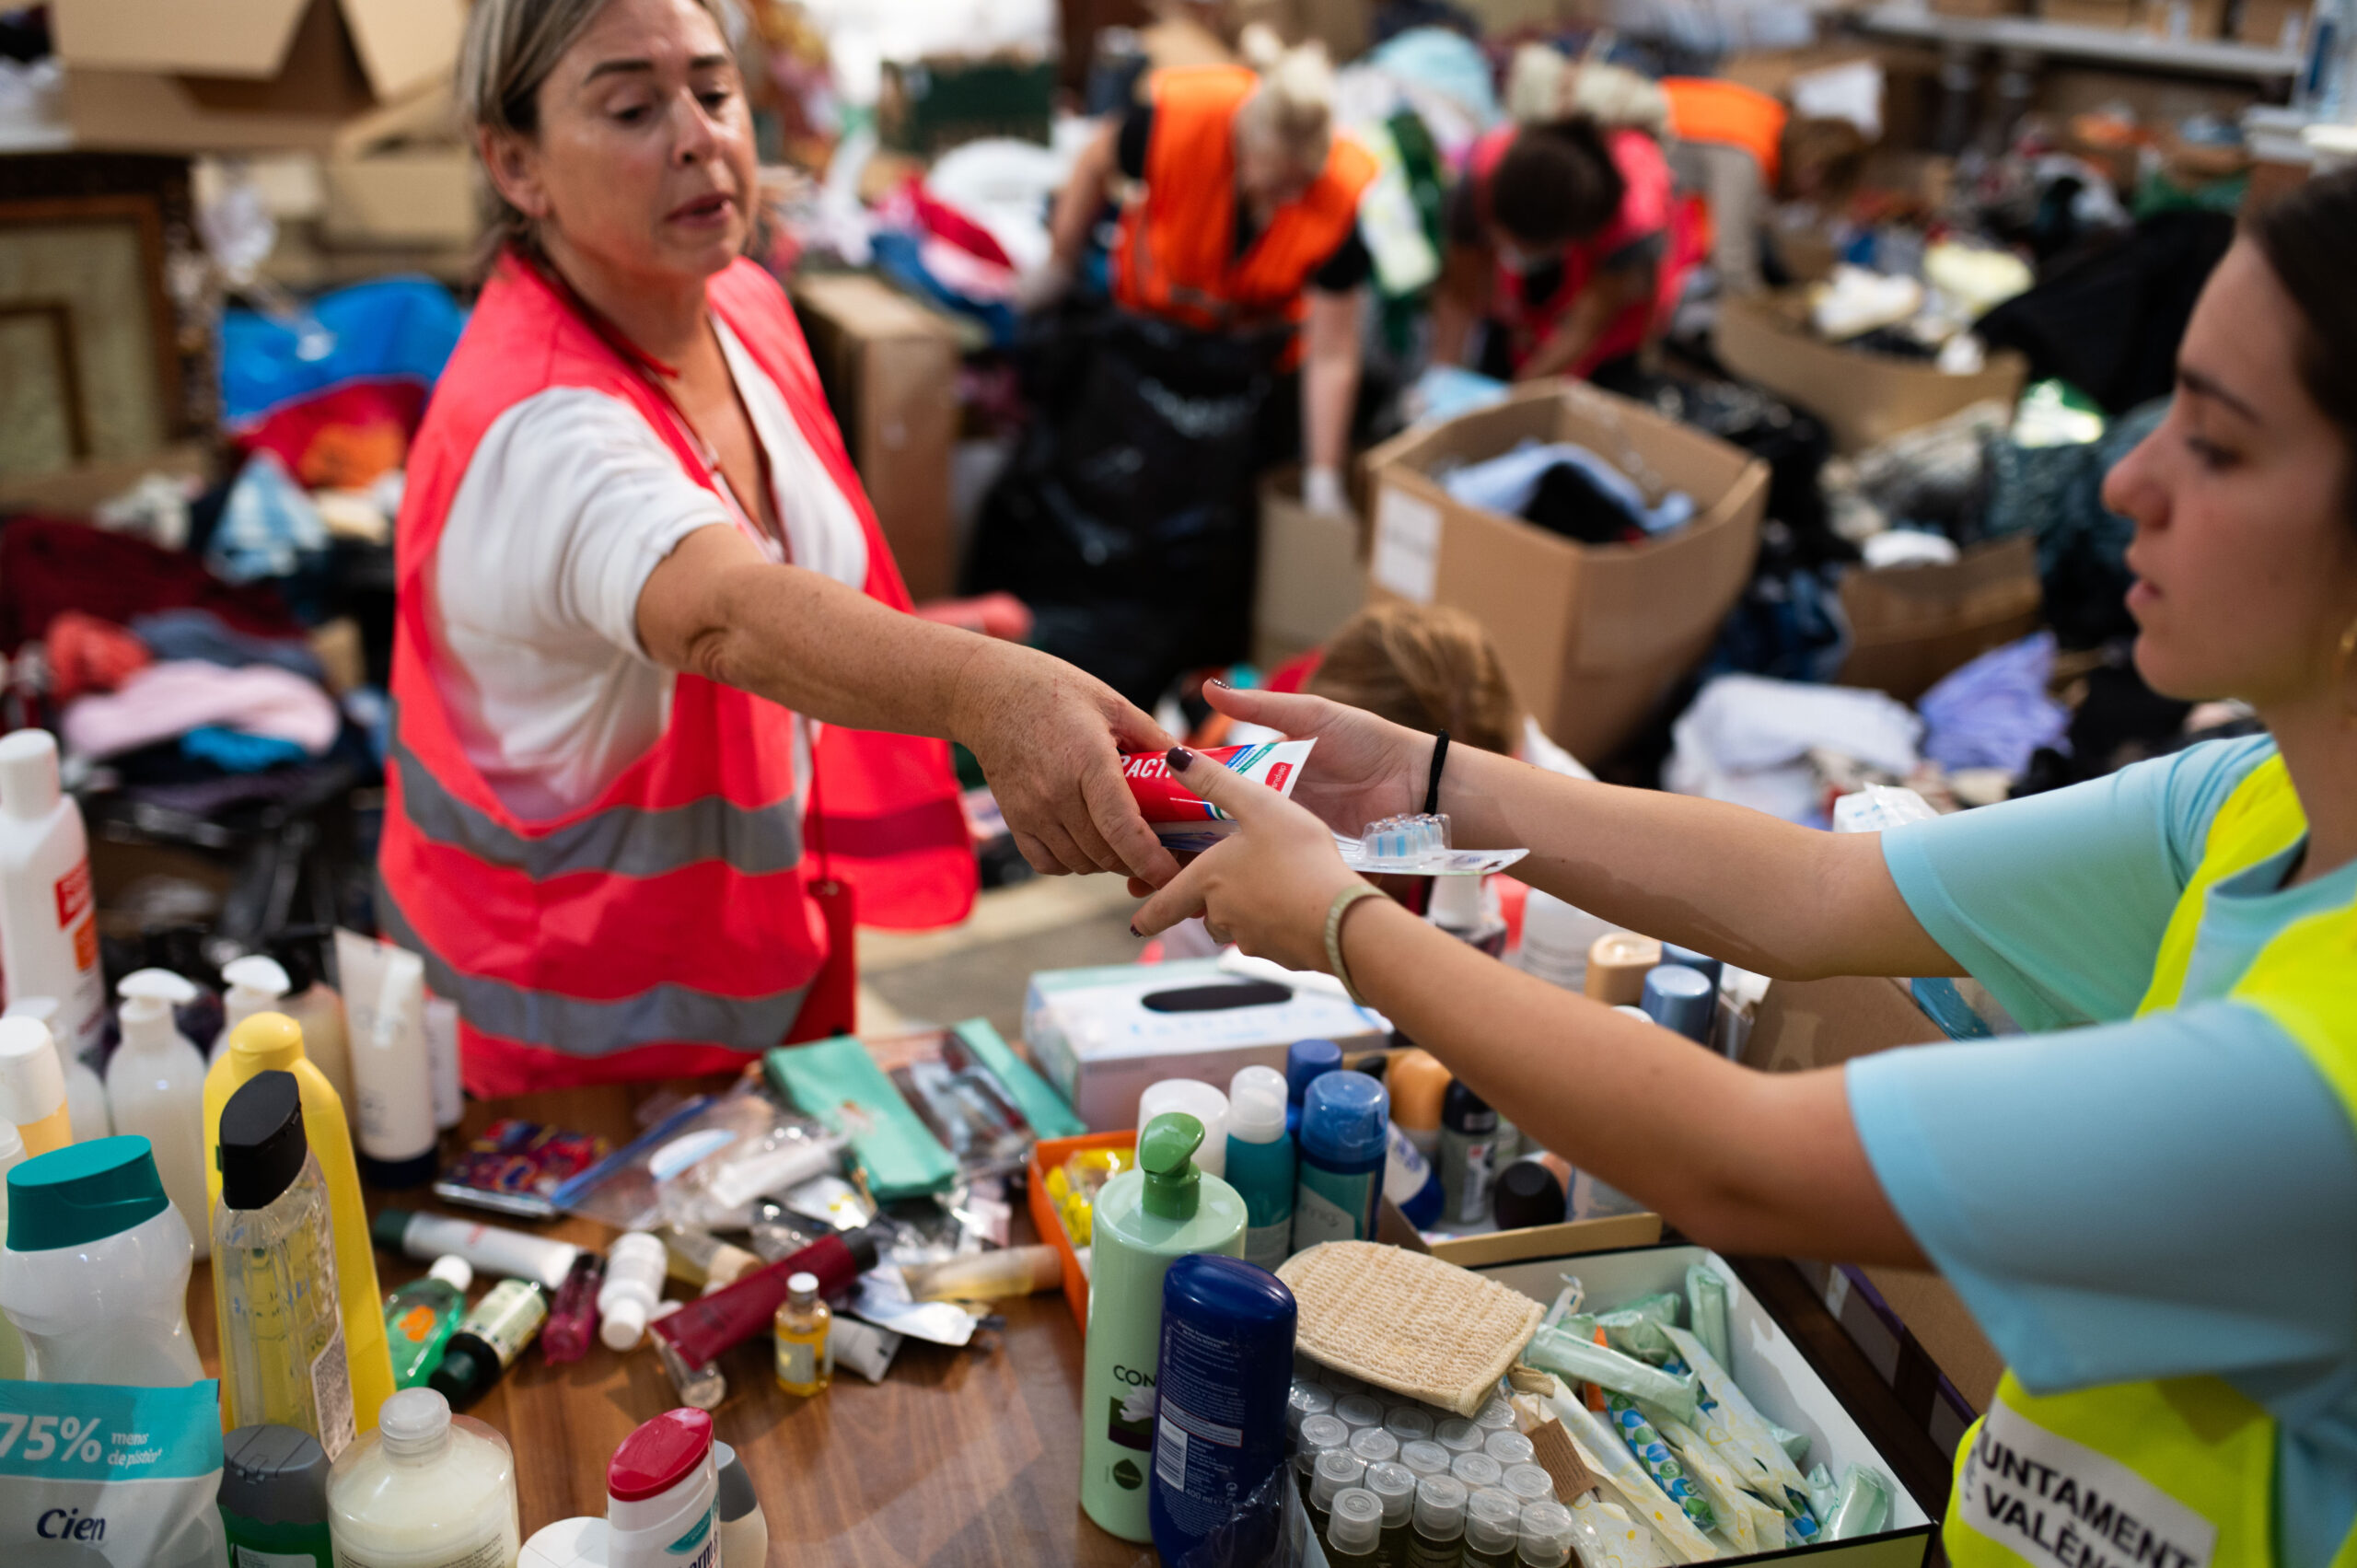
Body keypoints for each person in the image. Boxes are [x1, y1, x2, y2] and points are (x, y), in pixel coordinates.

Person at [1135, 170, 2357, 1568]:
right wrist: (1423, 780)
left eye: (2217, 442)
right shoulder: (2249, 802)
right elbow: (1815, 892)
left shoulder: (2327, 1076)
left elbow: (1740, 1159)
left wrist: (1343, 922)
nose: (2130, 479)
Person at [381, 0, 1178, 1095]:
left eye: (713, 92)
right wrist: (988, 693)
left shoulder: (739, 304)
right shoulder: (547, 428)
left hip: (755, 978)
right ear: (515, 164)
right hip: (576, 1059)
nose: (698, 135)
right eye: (629, 107)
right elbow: (729, 613)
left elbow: (781, 567)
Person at [1027, 29, 1376, 517]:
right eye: (1273, 184)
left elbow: (1334, 352)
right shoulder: (1183, 123)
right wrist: (1059, 263)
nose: (1286, 203)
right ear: (1244, 142)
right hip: (1145, 346)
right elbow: (1093, 162)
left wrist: (1323, 474)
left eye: (1299, 187)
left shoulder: (1336, 195)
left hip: (1244, 373)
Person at [1431, 112, 1691, 389]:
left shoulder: (1632, 220)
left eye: (1524, 247)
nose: (1512, 255)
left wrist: (1507, 405)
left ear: (1571, 239)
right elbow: (1458, 292)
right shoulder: (1485, 171)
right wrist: (1442, 379)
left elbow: (1584, 328)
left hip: (1613, 332)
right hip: (1526, 313)